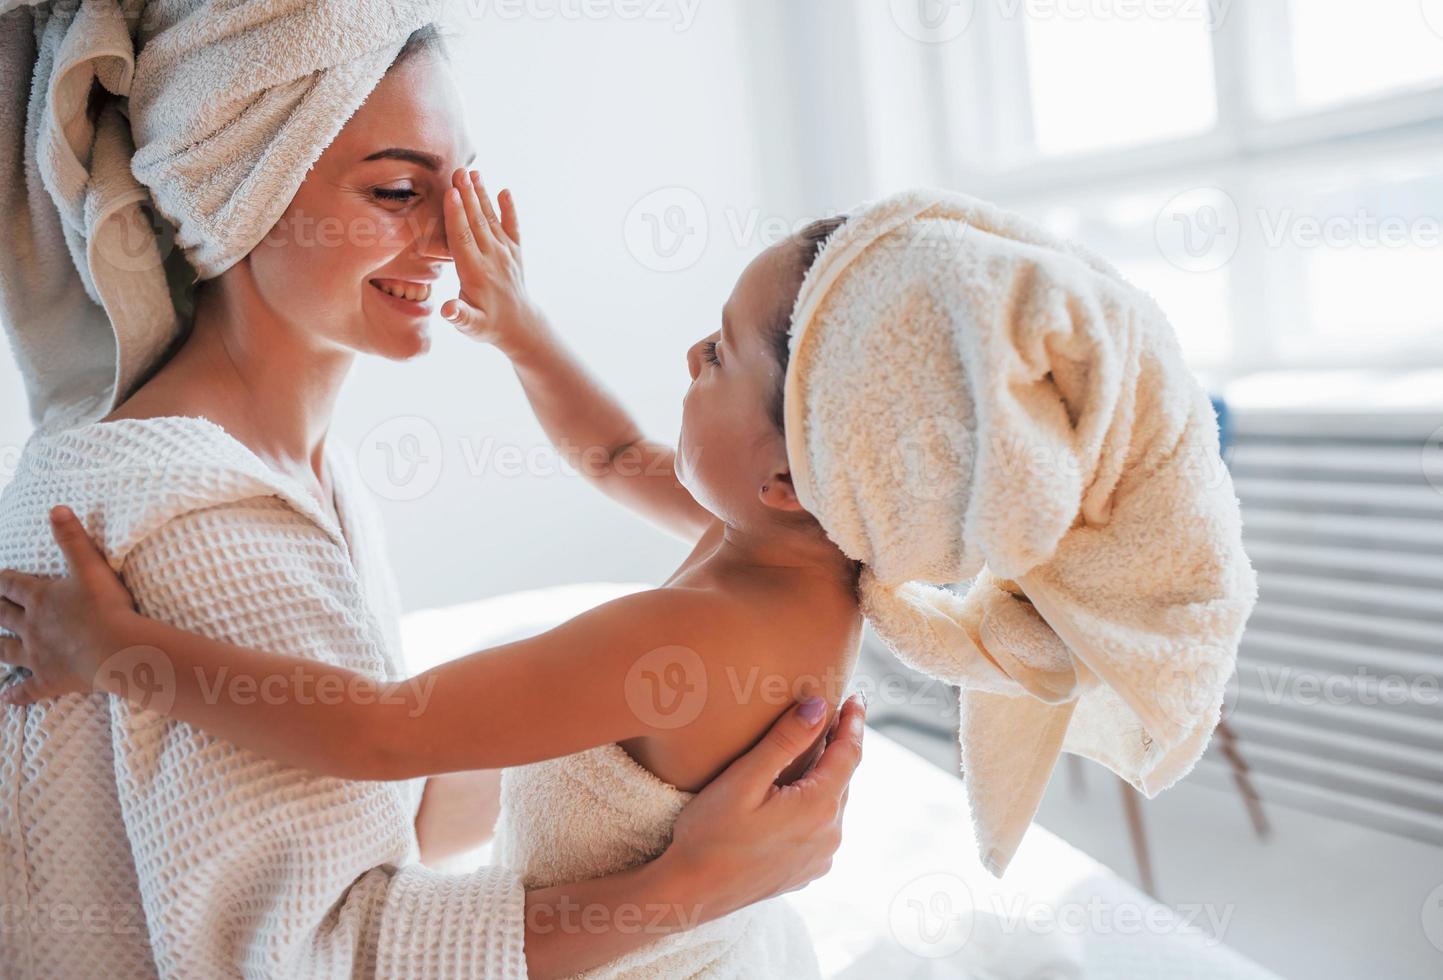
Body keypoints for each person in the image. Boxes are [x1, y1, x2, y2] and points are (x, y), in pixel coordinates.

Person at [0, 20, 861, 980]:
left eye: (455, 190)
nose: (459, 240)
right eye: (401, 192)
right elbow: (325, 946)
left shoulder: (303, 468)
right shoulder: (199, 522)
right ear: (237, 191)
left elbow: (375, 764)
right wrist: (693, 888)